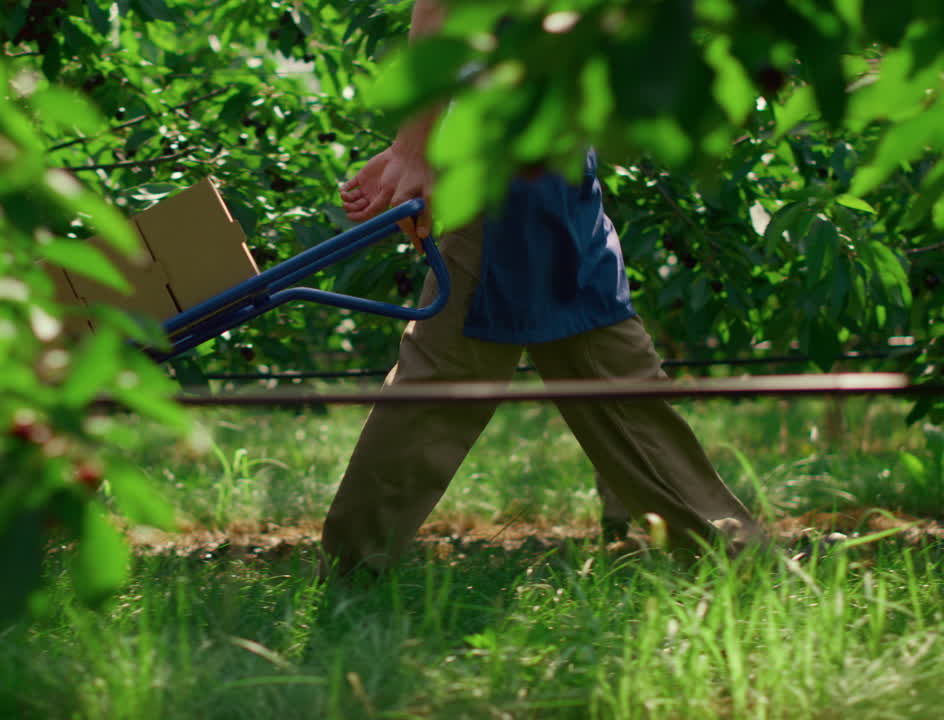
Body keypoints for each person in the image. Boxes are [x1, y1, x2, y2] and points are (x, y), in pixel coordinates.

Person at [320, 0, 761, 575]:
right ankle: (352, 567)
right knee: (460, 376)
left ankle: (729, 554)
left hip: (547, 152)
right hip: (519, 161)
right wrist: (414, 149)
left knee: (592, 366)